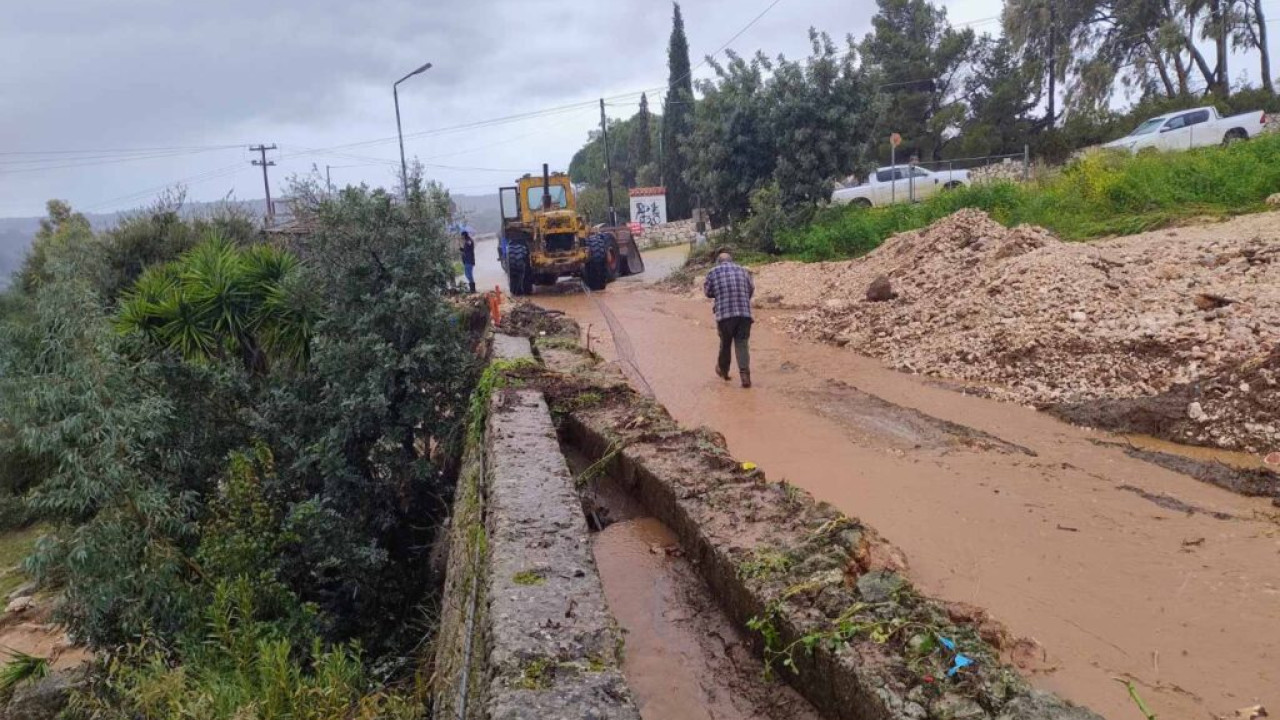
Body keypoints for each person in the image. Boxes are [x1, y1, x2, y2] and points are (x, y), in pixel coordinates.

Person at [703, 250, 755, 388]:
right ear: (731, 260)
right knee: (742, 344)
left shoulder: (712, 272)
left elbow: (708, 293)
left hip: (725, 316)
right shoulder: (744, 271)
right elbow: (750, 289)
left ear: (718, 262)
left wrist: (720, 293)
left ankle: (724, 372)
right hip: (744, 315)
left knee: (725, 344)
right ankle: (745, 377)